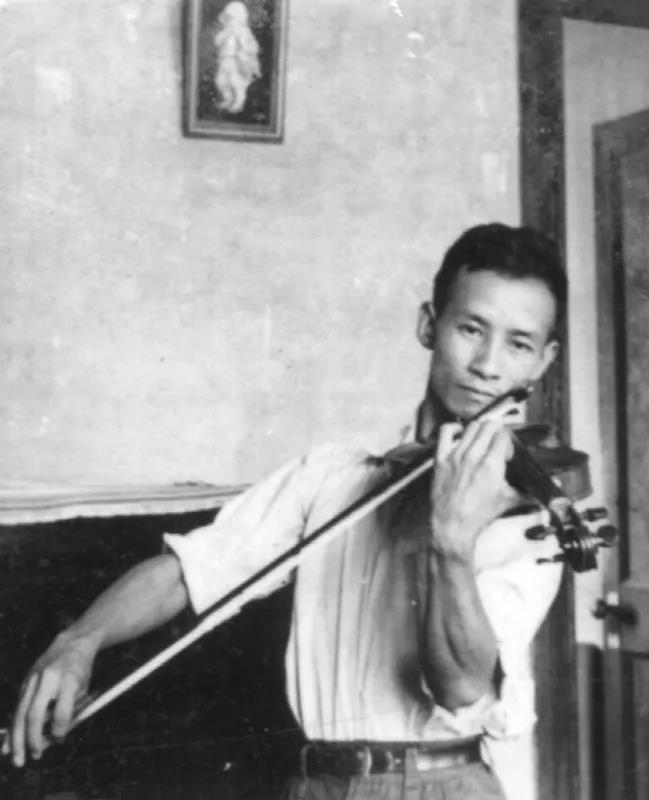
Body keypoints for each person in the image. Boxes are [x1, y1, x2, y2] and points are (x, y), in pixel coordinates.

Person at [5, 224, 571, 799]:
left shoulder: (529, 516)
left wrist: (452, 540)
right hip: (314, 783)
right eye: (471, 329)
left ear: (543, 362)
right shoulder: (334, 474)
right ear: (429, 325)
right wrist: (79, 641)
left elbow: (460, 688)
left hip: (441, 786)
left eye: (518, 345)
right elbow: (188, 571)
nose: (487, 366)